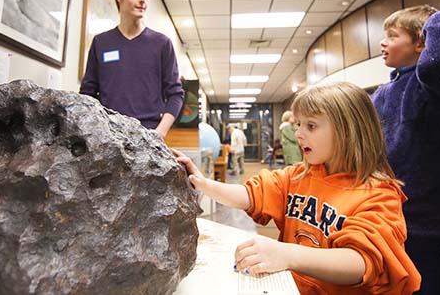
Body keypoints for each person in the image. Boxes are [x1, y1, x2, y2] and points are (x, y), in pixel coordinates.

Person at [173, 82, 421, 294]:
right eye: (298, 124)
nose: (299, 134)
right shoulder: (297, 176)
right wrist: (203, 183)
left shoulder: (378, 194)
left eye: (310, 126)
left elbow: (362, 261)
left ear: (348, 131)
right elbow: (251, 195)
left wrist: (287, 254)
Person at [371, 6, 440, 295]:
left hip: (429, 216)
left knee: (432, 285)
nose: (383, 42)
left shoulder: (432, 83)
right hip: (389, 212)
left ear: (421, 42)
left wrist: (435, 18)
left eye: (393, 35)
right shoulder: (384, 91)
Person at [80, 0, 184, 138]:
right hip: (109, 136)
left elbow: (176, 94)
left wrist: (159, 133)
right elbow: (87, 94)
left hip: (149, 135)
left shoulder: (162, 43)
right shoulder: (101, 42)